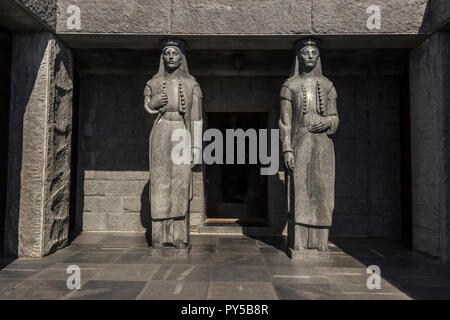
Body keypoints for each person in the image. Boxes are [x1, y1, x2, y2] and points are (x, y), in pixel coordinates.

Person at [279, 38, 339, 252]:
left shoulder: (328, 86)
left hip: (323, 144)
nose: (311, 56)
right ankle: (300, 242)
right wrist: (287, 148)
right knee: (300, 192)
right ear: (299, 57)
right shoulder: (289, 86)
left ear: (319, 56)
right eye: (306, 52)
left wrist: (329, 122)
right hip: (300, 142)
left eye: (314, 52)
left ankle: (320, 242)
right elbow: (285, 122)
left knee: (323, 192)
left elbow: (335, 118)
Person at [144, 38, 202, 249]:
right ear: (162, 57)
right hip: (160, 132)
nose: (170, 57)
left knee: (180, 181)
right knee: (160, 180)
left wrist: (196, 147)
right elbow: (145, 119)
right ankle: (159, 235)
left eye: (174, 53)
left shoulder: (191, 84)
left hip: (181, 132)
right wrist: (152, 105)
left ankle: (179, 235)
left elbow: (196, 118)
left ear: (181, 58)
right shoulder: (152, 84)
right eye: (167, 53)